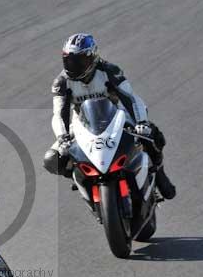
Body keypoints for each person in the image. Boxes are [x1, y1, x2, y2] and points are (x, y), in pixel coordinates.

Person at [43, 33, 176, 199]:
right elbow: (58, 113)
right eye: (69, 61)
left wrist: (142, 122)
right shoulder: (62, 82)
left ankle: (159, 173)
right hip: (82, 124)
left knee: (152, 136)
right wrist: (62, 137)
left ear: (92, 57)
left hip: (117, 117)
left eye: (79, 60)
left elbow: (131, 98)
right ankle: (82, 177)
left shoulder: (109, 71)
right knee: (52, 159)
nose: (73, 66)